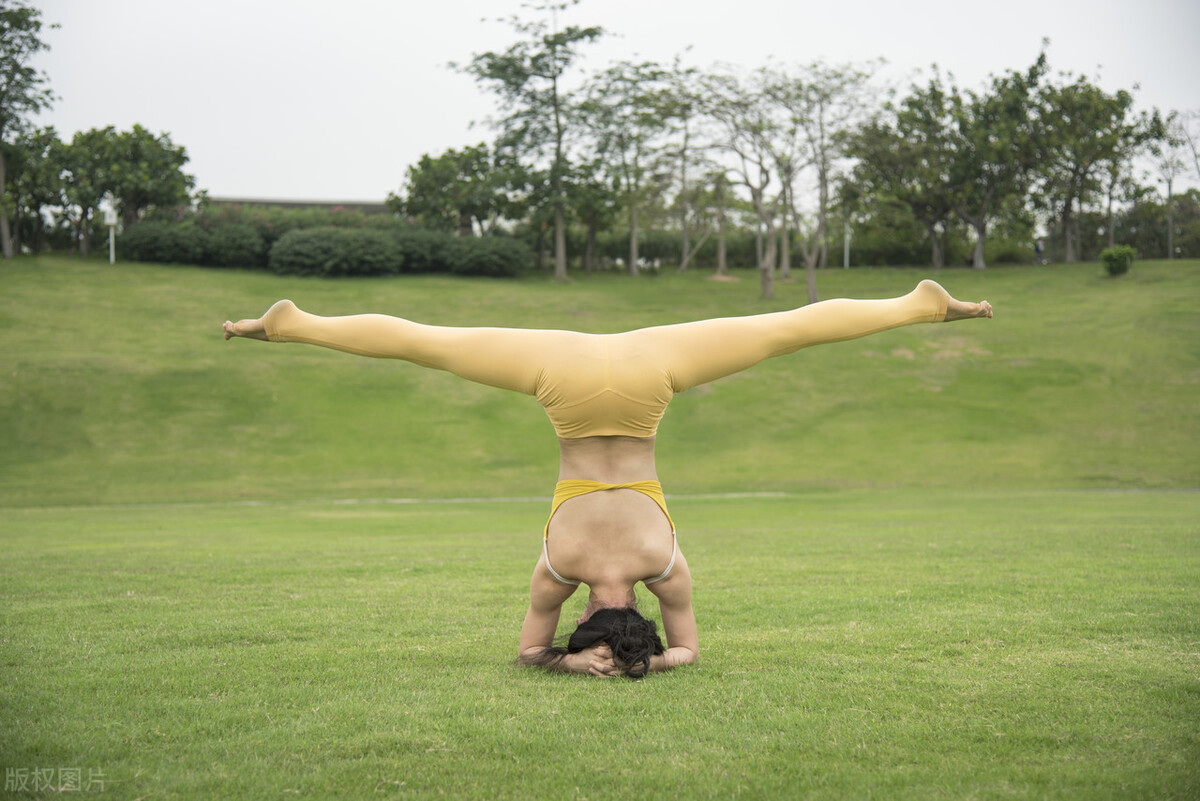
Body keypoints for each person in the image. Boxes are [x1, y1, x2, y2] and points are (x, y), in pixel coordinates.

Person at [223, 279, 992, 678]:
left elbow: (688, 651)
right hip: (562, 379)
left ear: (635, 618)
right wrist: (571, 661)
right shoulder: (558, 571)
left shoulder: (667, 571)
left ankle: (917, 306)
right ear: (586, 614)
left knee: (779, 331)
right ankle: (294, 324)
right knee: (429, 344)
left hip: (651, 373)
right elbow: (529, 655)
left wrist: (646, 660)